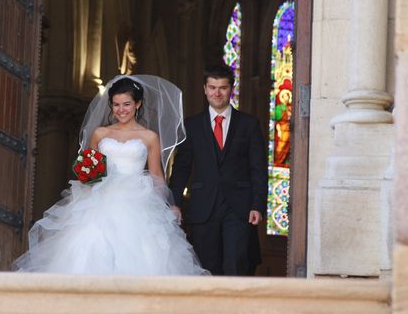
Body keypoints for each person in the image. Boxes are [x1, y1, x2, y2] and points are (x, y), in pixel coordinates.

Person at [13, 75, 208, 276]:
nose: (121, 110)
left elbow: (157, 175)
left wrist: (169, 204)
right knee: (89, 245)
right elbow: (88, 169)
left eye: (126, 104)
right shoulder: (100, 134)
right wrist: (86, 175)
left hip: (137, 199)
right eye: (116, 105)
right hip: (100, 196)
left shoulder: (150, 137)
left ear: (138, 104)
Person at [169, 65, 267, 275]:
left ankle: (235, 308)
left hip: (239, 208)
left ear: (231, 88)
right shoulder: (192, 125)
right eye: (212, 87)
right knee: (207, 267)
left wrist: (258, 205)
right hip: (203, 206)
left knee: (236, 265)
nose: (217, 93)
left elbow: (258, 167)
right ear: (205, 89)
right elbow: (181, 168)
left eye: (222, 88)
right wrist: (175, 202)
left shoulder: (249, 124)